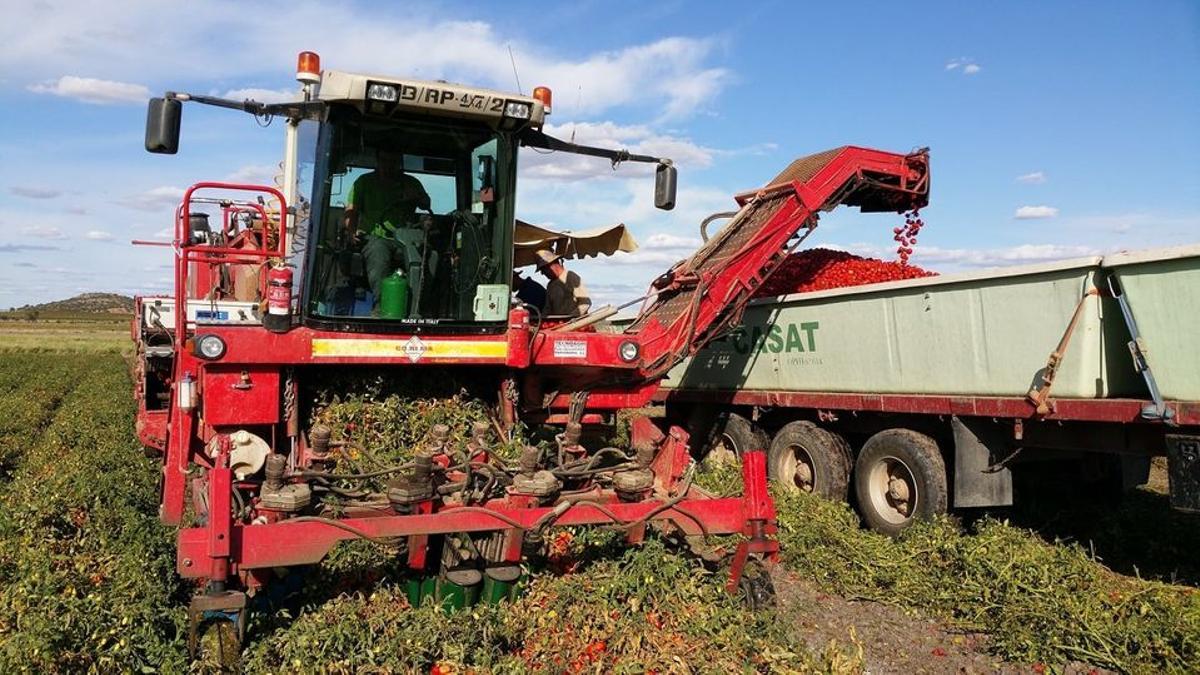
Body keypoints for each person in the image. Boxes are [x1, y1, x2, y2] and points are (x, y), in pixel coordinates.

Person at [343, 150, 433, 312]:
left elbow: (426, 203)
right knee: (378, 252)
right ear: (378, 161)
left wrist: (417, 196)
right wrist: (351, 232)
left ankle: (421, 308)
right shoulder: (364, 182)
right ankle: (383, 309)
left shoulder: (411, 182)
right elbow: (352, 210)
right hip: (375, 237)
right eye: (384, 161)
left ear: (399, 163)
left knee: (430, 255)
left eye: (393, 161)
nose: (388, 165)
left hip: (407, 238)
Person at [534, 249, 591, 318]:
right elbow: (547, 309)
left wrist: (571, 317)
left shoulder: (570, 277)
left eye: (543, 270)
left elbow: (585, 302)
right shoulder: (550, 286)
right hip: (560, 325)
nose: (542, 273)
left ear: (552, 265)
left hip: (576, 324)